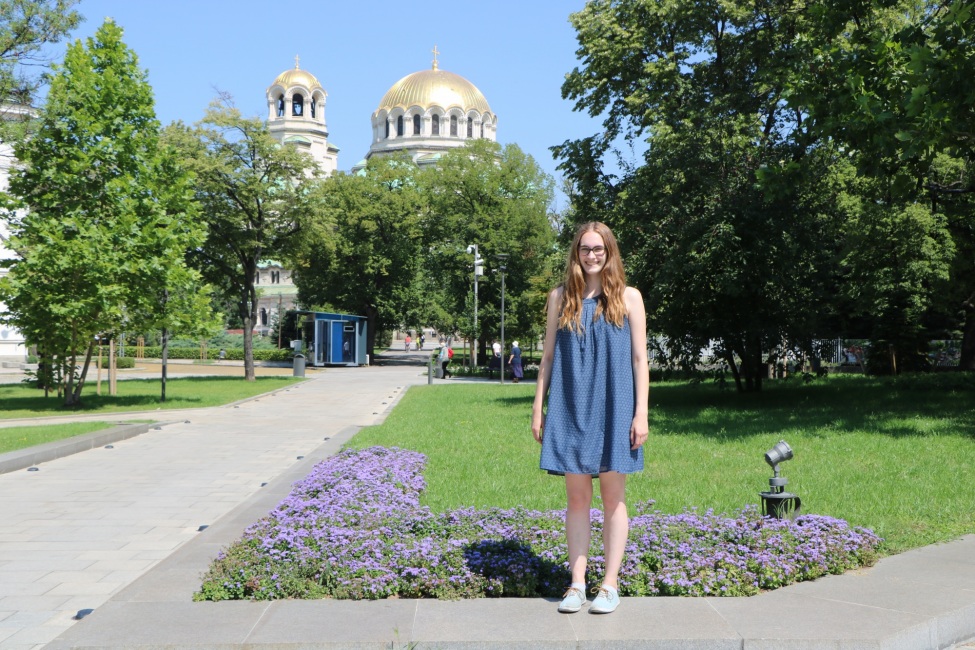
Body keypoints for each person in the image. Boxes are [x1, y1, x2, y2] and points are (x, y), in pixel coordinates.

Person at [531, 221, 649, 615]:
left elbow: (639, 360)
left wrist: (641, 412)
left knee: (614, 499)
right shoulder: (560, 297)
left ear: (610, 252)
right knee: (577, 499)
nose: (592, 255)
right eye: (585, 248)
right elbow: (547, 357)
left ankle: (610, 585)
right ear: (576, 253)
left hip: (616, 406)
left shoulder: (630, 298)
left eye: (598, 248)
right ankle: (576, 585)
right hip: (570, 405)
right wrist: (537, 407)